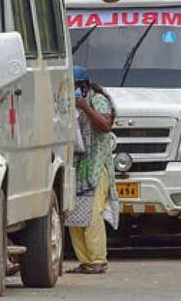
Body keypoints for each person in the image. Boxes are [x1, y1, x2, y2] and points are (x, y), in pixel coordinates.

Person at [65, 66, 119, 274]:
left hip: (97, 166)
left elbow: (105, 125)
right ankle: (85, 260)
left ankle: (98, 259)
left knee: (92, 212)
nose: (74, 90)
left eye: (77, 87)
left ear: (85, 86)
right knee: (74, 214)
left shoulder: (97, 100)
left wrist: (84, 107)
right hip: (79, 167)